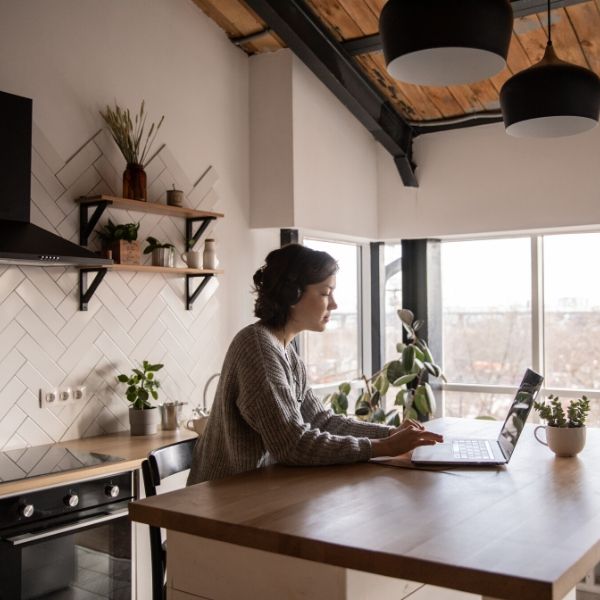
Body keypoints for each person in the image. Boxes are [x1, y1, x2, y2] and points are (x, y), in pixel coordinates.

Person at [187, 243, 443, 485]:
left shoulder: (284, 350)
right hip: (218, 505)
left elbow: (321, 420)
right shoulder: (258, 348)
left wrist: (390, 434)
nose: (334, 304)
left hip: (257, 491)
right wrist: (382, 447)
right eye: (325, 293)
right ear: (291, 295)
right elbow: (292, 444)